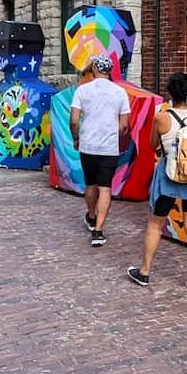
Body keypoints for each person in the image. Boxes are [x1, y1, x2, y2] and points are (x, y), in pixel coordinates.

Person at [127, 71, 187, 293]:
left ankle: (145, 272)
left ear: (169, 92)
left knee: (156, 224)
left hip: (169, 175)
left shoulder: (162, 117)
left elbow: (152, 144)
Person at [70, 54, 131, 247]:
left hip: (88, 144)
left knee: (90, 184)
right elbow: (124, 125)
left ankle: (90, 214)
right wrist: (115, 136)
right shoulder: (120, 92)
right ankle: (98, 230)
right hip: (109, 147)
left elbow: (73, 120)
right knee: (105, 187)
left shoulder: (82, 90)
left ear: (95, 68)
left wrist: (76, 137)